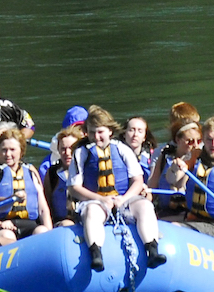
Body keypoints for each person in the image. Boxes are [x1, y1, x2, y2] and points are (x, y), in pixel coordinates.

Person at [68, 106, 167, 269]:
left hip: (123, 199)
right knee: (92, 211)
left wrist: (123, 199)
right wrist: (101, 199)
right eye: (92, 132)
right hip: (95, 201)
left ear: (110, 131)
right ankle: (96, 254)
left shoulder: (122, 149)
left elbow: (137, 180)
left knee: (145, 205)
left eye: (100, 132)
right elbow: (74, 188)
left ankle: (152, 250)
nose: (96, 137)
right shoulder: (80, 153)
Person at [0, 126, 52, 247]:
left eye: (12, 150)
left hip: (29, 225)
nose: (8, 154)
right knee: (7, 236)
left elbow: (43, 209)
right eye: (4, 150)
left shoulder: (30, 172)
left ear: (21, 151)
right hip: (3, 225)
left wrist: (50, 233)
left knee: (42, 231)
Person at [148, 118, 203, 219]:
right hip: (164, 210)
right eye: (190, 141)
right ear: (178, 140)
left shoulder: (200, 161)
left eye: (199, 141)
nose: (196, 145)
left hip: (188, 213)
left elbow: (179, 184)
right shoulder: (164, 157)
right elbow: (152, 188)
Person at [43, 124, 84, 227]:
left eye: (71, 148)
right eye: (63, 149)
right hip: (60, 223)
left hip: (84, 219)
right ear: (58, 150)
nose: (67, 153)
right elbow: (47, 203)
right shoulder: (52, 173)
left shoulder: (88, 170)